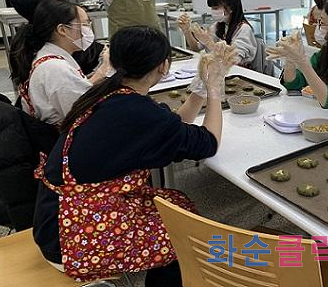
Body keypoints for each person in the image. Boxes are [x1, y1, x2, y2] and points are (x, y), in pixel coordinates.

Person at [33, 26, 236, 286]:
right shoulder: (138, 112)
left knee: (177, 203)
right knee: (184, 236)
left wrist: (200, 88)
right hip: (71, 237)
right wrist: (215, 89)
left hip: (57, 215)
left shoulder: (110, 93)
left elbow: (172, 127)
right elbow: (209, 143)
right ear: (163, 66)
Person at [10, 0, 109, 126]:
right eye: (84, 24)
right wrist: (104, 69)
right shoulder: (55, 68)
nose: (89, 30)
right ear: (62, 30)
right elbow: (82, 114)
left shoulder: (50, 56)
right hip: (65, 134)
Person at [10, 0, 106, 75]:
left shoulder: (24, 40)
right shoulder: (58, 53)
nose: (63, 2)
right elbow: (77, 84)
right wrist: (101, 72)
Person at [178, 0, 257, 67]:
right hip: (217, 69)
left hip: (237, 71)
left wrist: (208, 42)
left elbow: (232, 60)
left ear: (230, 8)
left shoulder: (244, 29)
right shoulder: (218, 25)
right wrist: (186, 30)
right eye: (212, 8)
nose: (213, 11)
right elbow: (196, 48)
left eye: (216, 8)